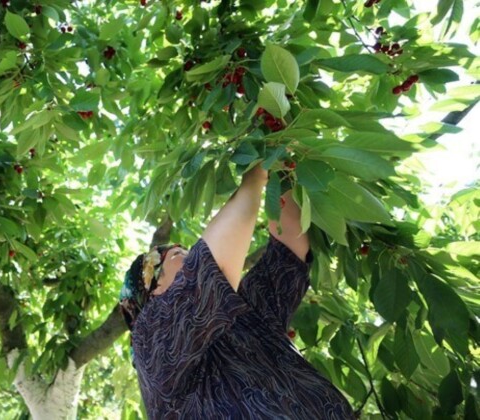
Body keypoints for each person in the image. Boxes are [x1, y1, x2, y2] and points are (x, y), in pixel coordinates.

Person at [120, 164, 354, 419]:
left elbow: (289, 250)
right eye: (176, 254)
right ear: (153, 290)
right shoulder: (151, 341)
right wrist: (255, 174)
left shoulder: (244, 315)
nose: (188, 252)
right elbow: (213, 264)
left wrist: (283, 170)